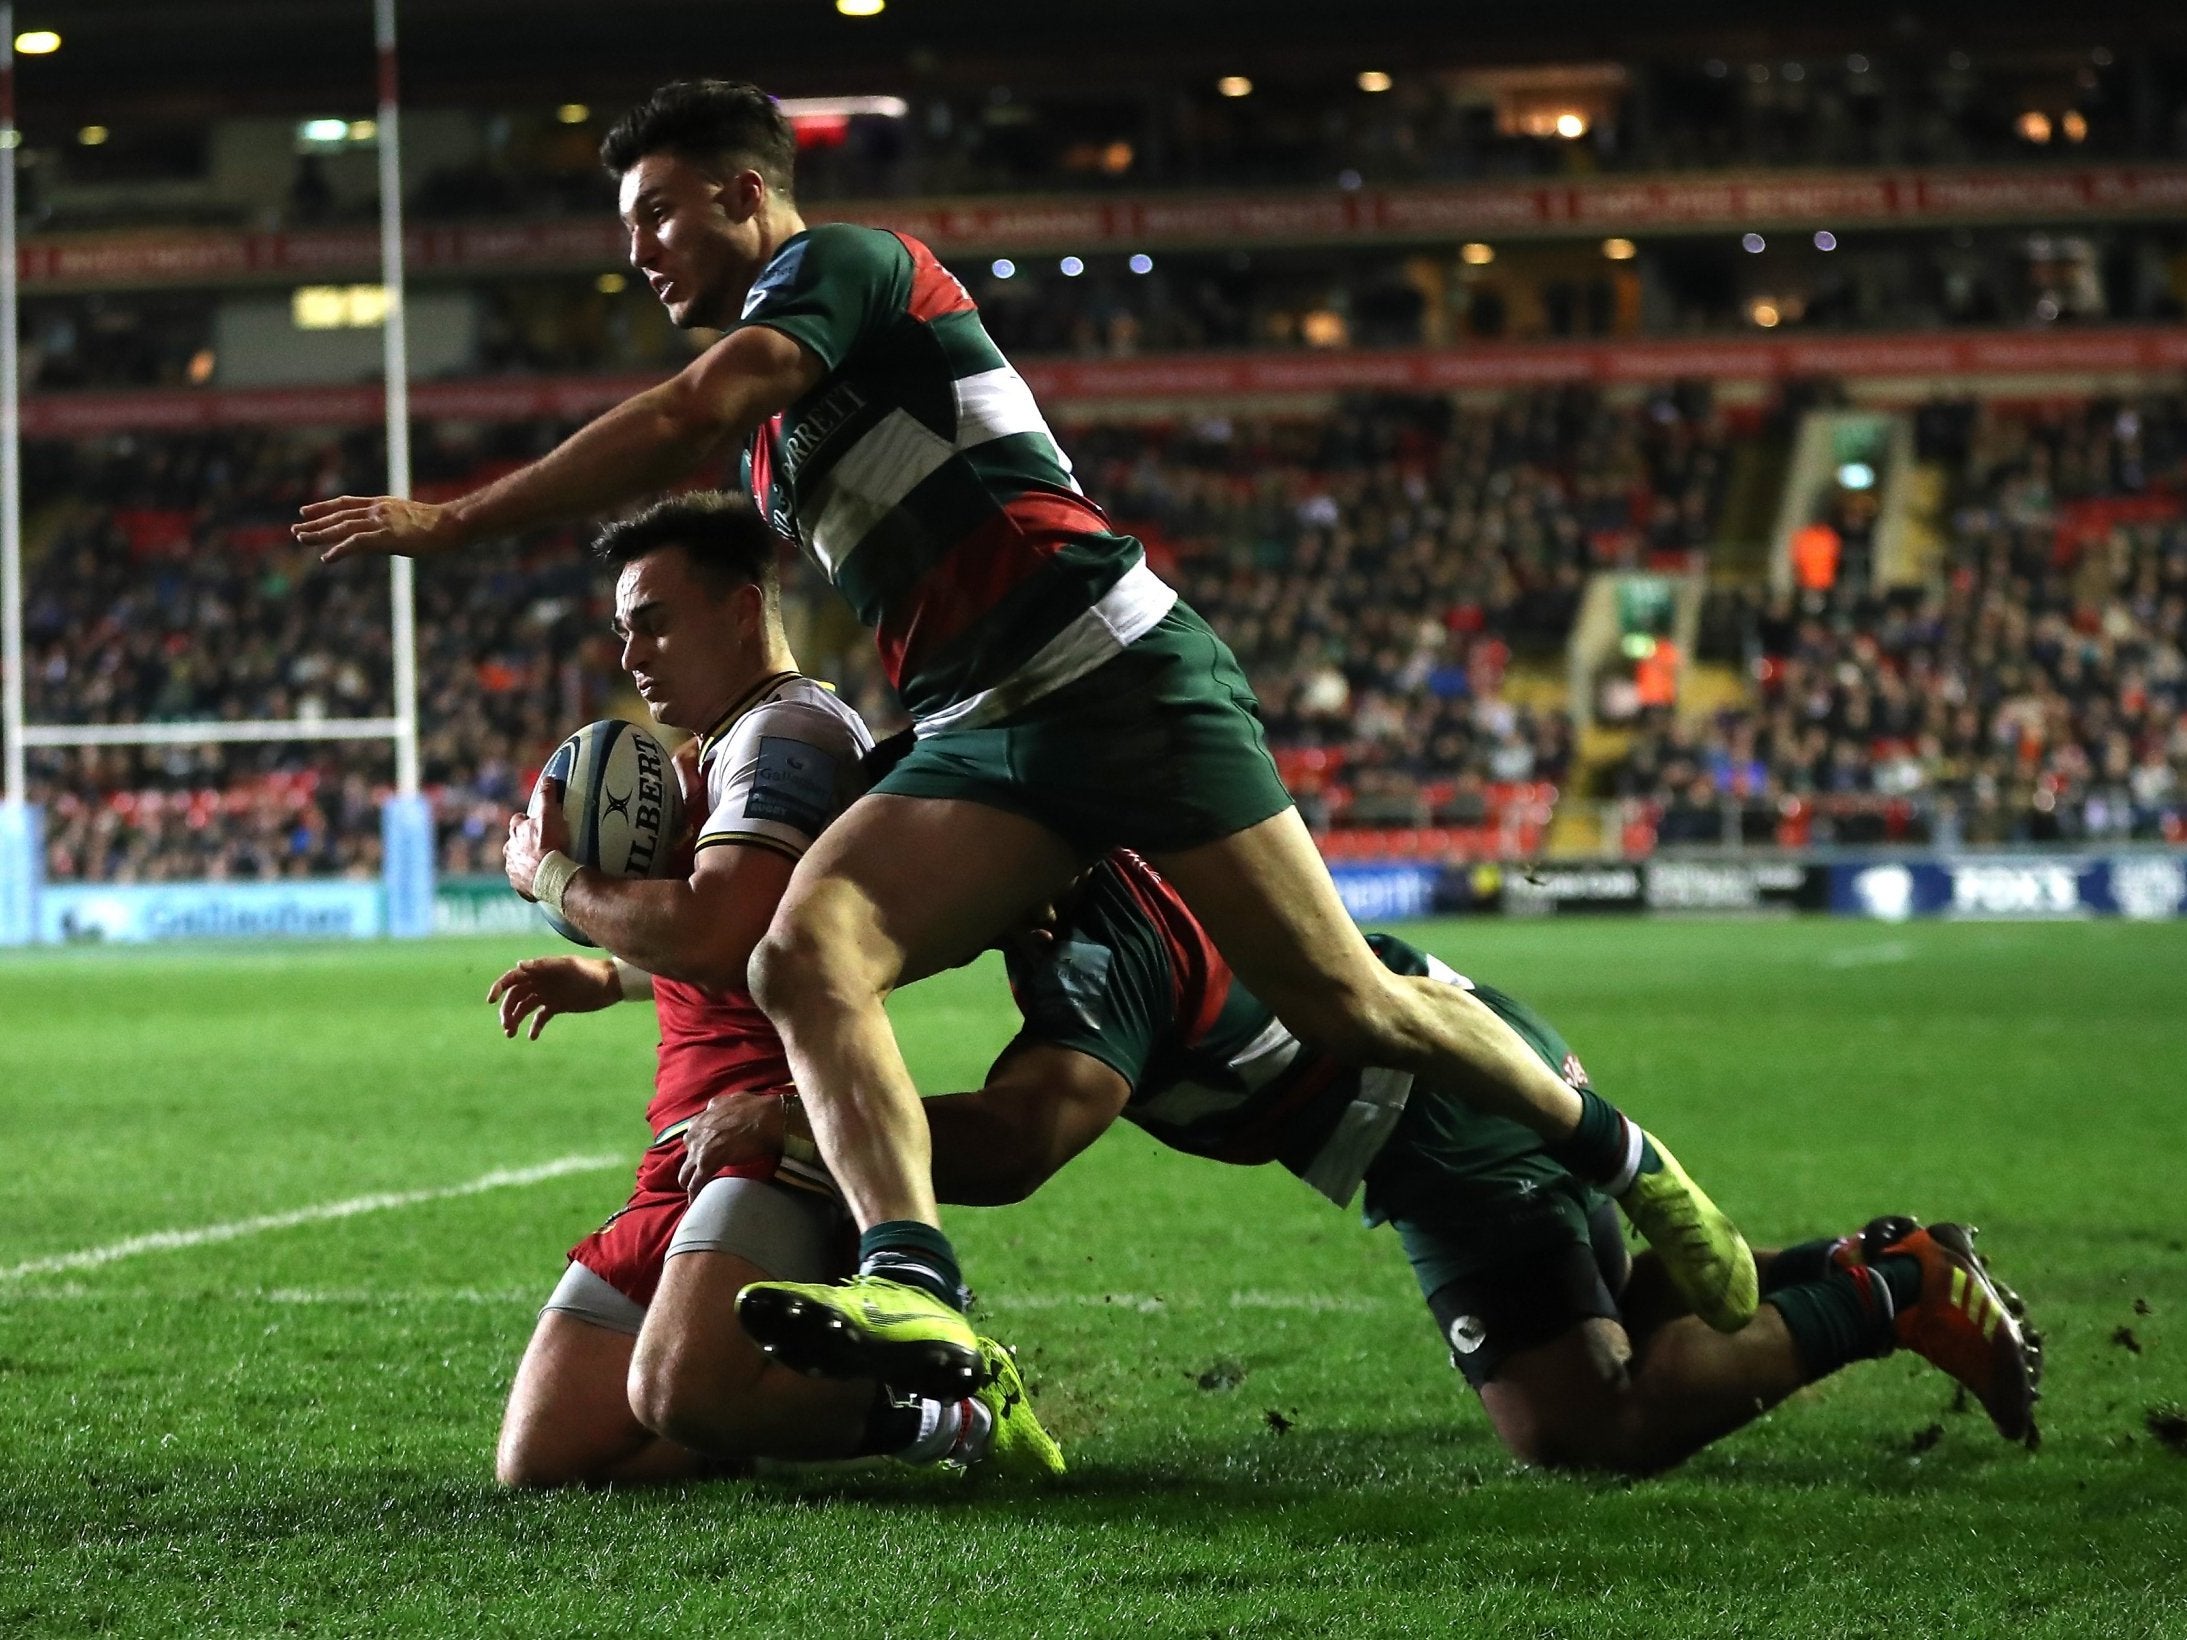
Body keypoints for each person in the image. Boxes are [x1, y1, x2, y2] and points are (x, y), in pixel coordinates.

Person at [295, 79, 1755, 1401]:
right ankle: (912, 1288)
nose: (639, 251)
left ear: (745, 194)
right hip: (984, 725)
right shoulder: (770, 447)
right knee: (811, 955)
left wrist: (456, 519)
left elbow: (699, 399)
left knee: (1348, 1008)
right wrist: (626, 967)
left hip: (1114, 671)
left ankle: (1625, 1160)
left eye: (656, 213)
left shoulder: (845, 270)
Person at [684, 845, 2045, 1472]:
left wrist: (811, 1135)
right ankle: (1872, 1266)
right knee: (1611, 1316)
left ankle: (1893, 1294)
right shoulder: (1119, 848)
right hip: (1459, 1063)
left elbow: (1030, 1134)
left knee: (1582, 1423)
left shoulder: (1094, 942)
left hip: (1433, 1123)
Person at [487, 490, 1061, 1486]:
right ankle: (770, 1399)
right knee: (546, 1456)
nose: (633, 656)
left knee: (675, 1392)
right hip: (681, 1139)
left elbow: (724, 927)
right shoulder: (706, 757)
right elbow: (724, 936)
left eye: (656, 622)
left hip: (777, 1129)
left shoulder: (789, 734)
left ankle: (955, 1409)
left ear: (742, 609)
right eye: (624, 631)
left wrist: (557, 882)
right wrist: (608, 972)